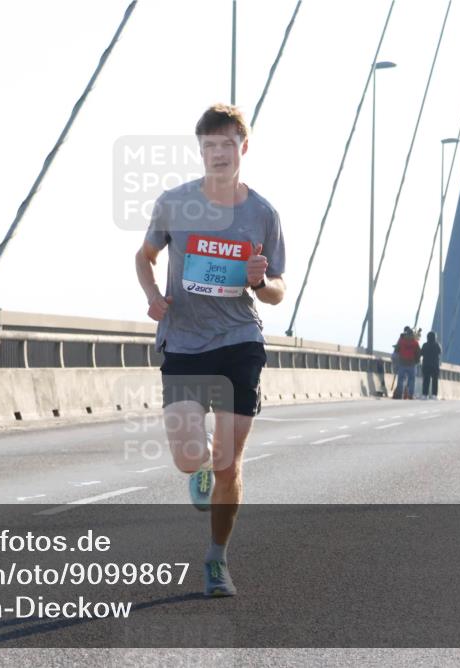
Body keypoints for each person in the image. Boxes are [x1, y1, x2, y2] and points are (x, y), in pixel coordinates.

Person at [135, 104, 286, 597]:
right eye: (209, 146)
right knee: (189, 458)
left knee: (229, 463)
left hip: (240, 340)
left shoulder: (262, 214)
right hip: (183, 342)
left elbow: (277, 290)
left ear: (244, 147)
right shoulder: (174, 203)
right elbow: (145, 256)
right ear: (200, 151)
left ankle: (217, 559)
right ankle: (197, 468)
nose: (219, 153)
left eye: (227, 144)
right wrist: (153, 296)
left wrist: (260, 281)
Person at [394, 327, 420, 400]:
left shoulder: (402, 341)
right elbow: (418, 353)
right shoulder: (415, 343)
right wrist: (416, 361)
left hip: (402, 363)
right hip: (411, 364)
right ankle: (410, 395)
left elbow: (396, 350)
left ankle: (400, 394)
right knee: (412, 380)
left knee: (400, 379)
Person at [420, 331, 442, 400]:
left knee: (426, 380)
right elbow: (440, 352)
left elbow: (421, 353)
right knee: (435, 381)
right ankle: (434, 395)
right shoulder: (437, 345)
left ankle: (425, 394)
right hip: (435, 365)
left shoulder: (425, 345)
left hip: (426, 365)